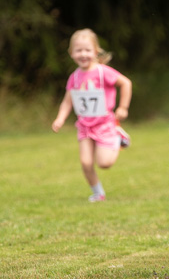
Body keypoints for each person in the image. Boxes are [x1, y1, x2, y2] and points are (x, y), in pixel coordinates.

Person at [52, 29, 132, 202]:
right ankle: (98, 193)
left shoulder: (104, 72)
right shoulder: (74, 77)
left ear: (95, 52)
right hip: (85, 126)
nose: (83, 54)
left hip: (104, 124)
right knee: (86, 163)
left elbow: (126, 83)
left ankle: (118, 138)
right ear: (71, 53)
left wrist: (123, 107)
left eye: (87, 50)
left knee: (104, 163)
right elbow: (67, 101)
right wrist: (60, 118)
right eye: (78, 50)